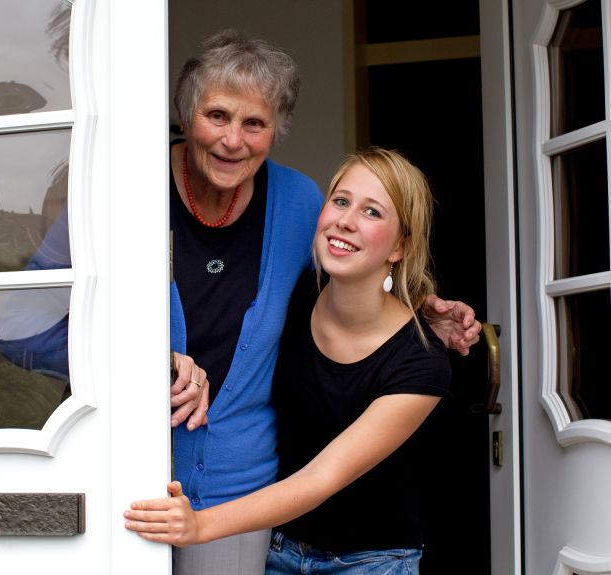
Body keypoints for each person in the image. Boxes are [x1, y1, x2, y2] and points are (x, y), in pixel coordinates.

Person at [164, 30, 480, 575]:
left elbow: (355, 264)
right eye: (217, 115)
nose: (233, 140)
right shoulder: (123, 185)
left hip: (249, 500)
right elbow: (43, 317)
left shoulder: (294, 203)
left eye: (254, 123)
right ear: (187, 113)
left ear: (275, 132)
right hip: (128, 467)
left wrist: (416, 303)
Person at [126, 148, 451, 574]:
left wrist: (199, 527)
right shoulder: (297, 296)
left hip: (373, 562)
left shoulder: (421, 361)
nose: (346, 220)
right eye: (340, 201)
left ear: (400, 245)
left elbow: (321, 479)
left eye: (372, 212)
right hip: (282, 549)